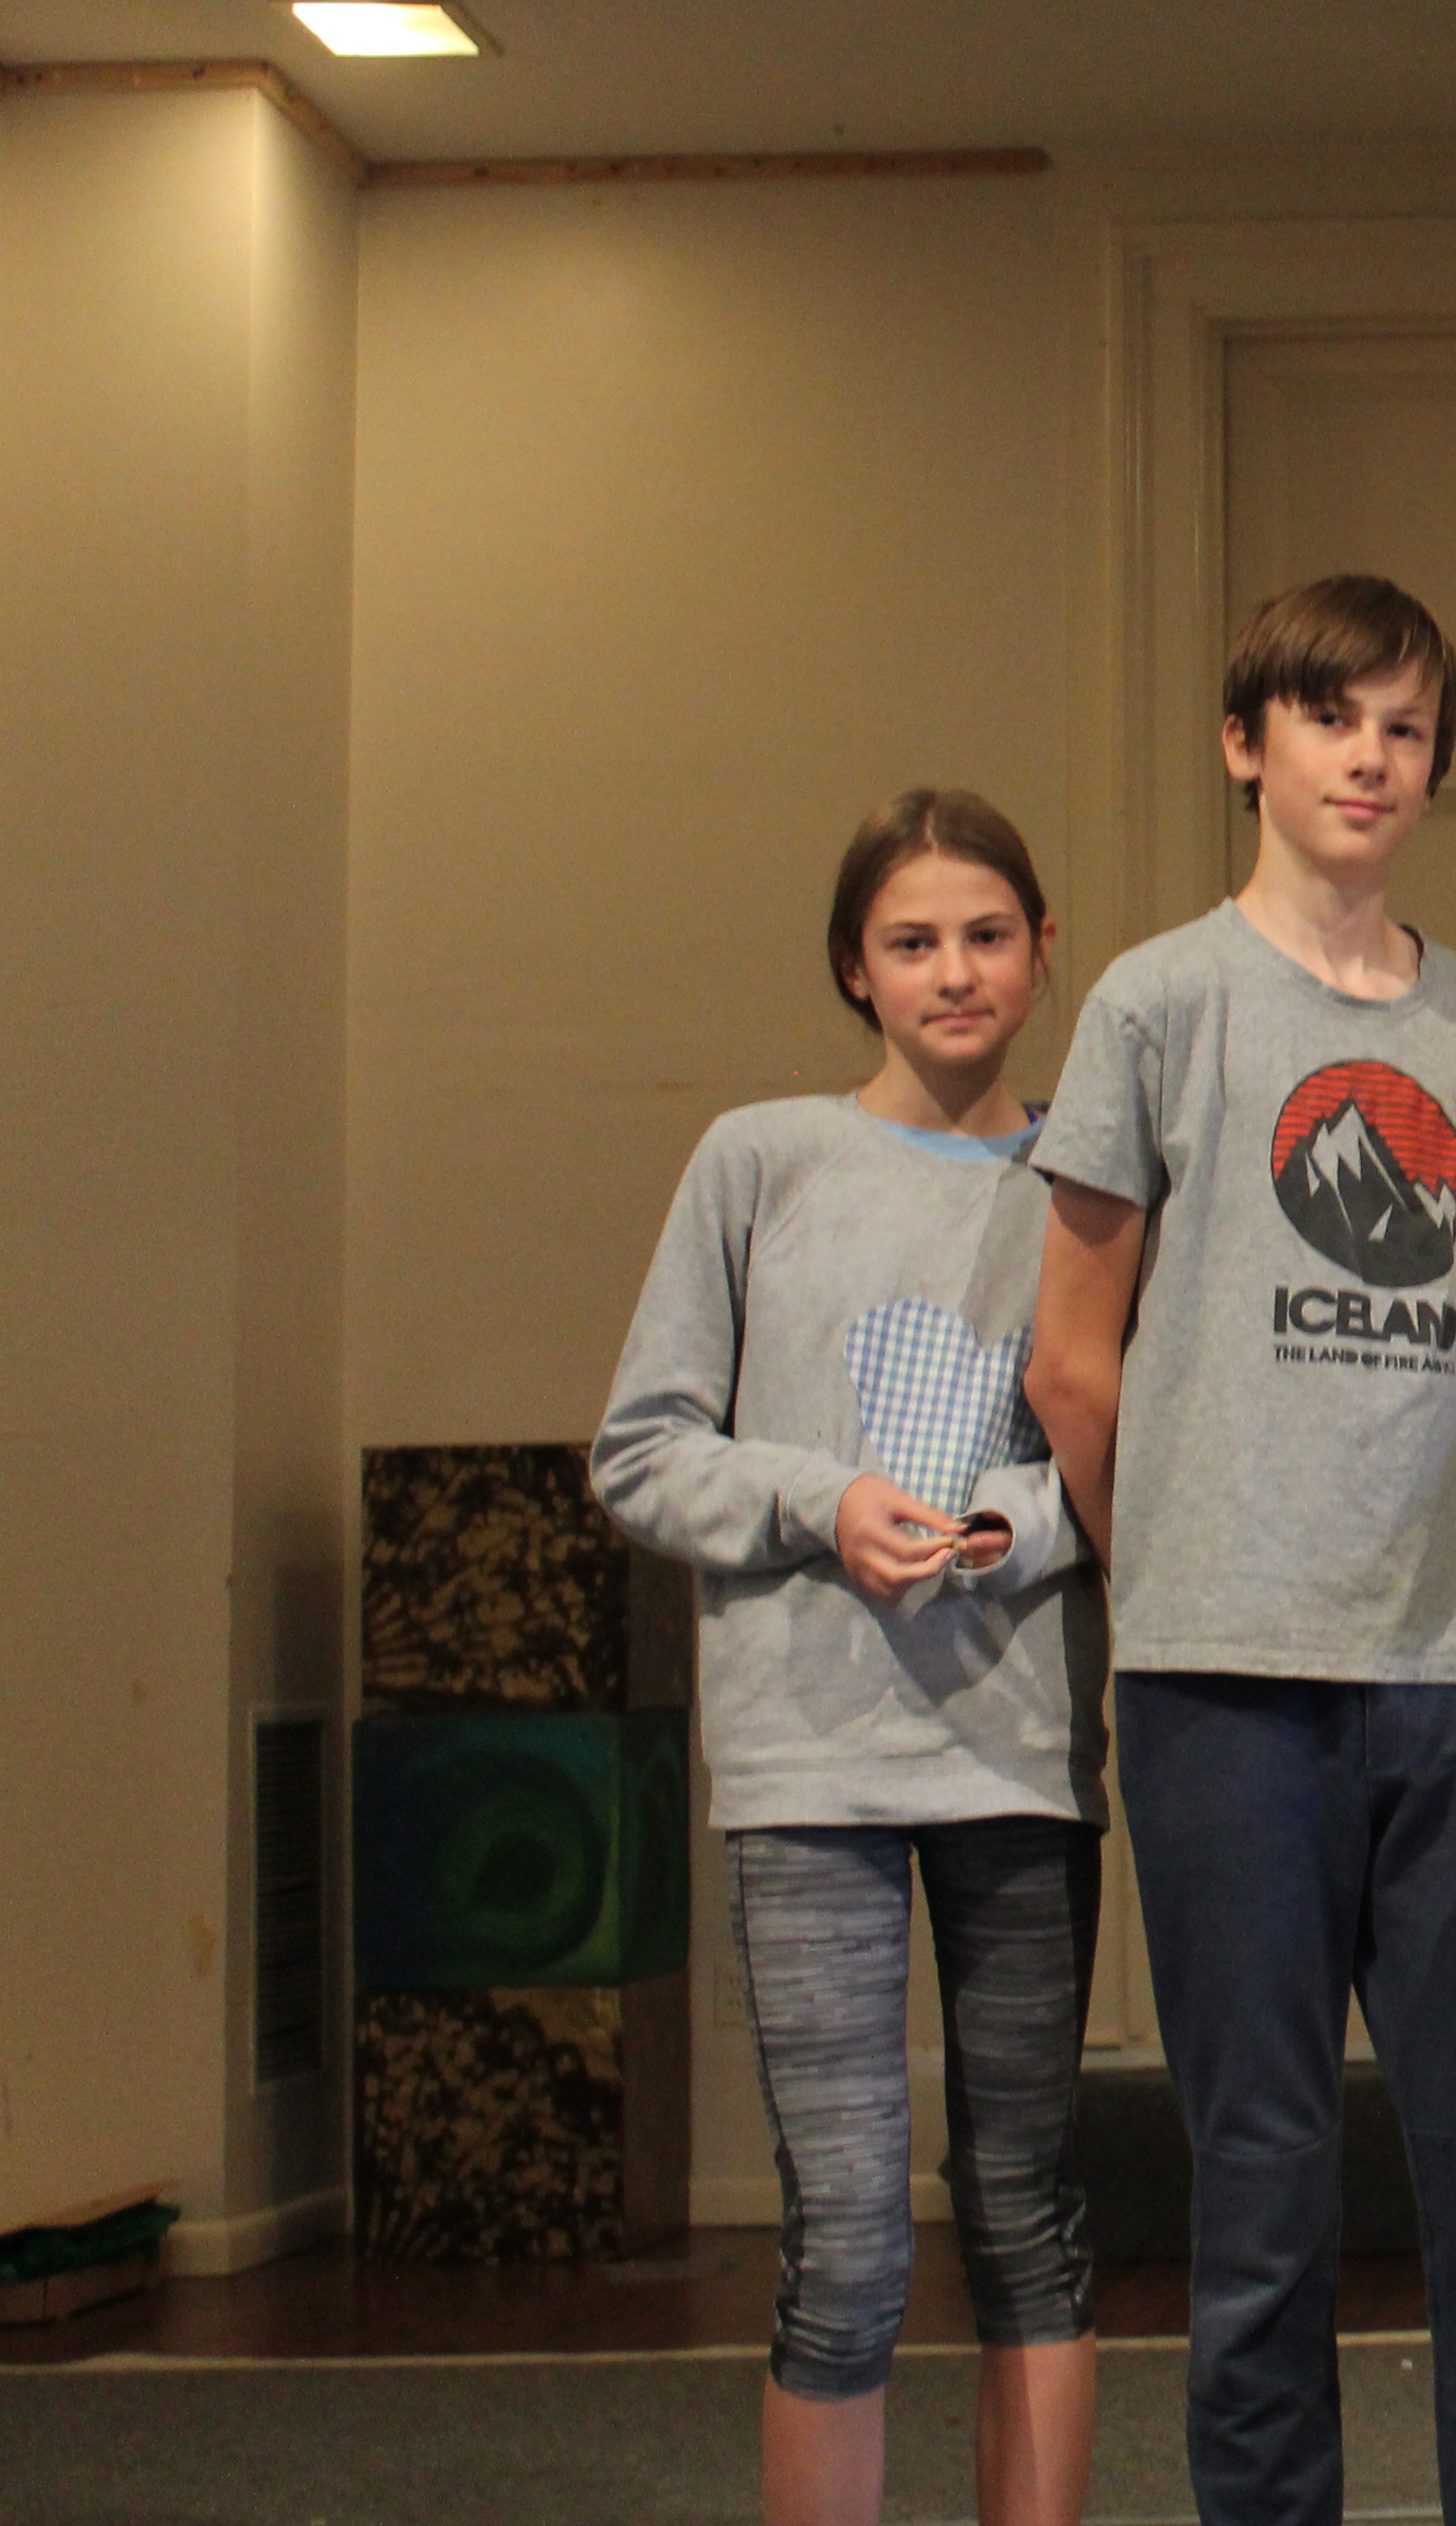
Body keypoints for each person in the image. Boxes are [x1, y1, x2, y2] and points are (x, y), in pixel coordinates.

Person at [1023, 576, 1456, 2526]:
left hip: (1447, 1682)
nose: (1370, 756)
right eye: (1332, 716)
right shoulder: (1159, 1002)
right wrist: (1178, 1571)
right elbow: (1070, 1356)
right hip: (1221, 1692)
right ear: (1245, 742)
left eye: (1407, 727)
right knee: (1260, 2192)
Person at [593, 789, 1104, 2526]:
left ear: (1043, 950)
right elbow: (642, 1447)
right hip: (808, 1769)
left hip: (1019, 1759)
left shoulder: (1093, 1182)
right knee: (852, 2233)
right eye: (912, 941)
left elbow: (1139, 1448)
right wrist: (826, 1501)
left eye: (986, 934)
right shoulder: (760, 1161)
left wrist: (1012, 1526)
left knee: (1027, 2214)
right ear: (852, 968)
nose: (954, 971)